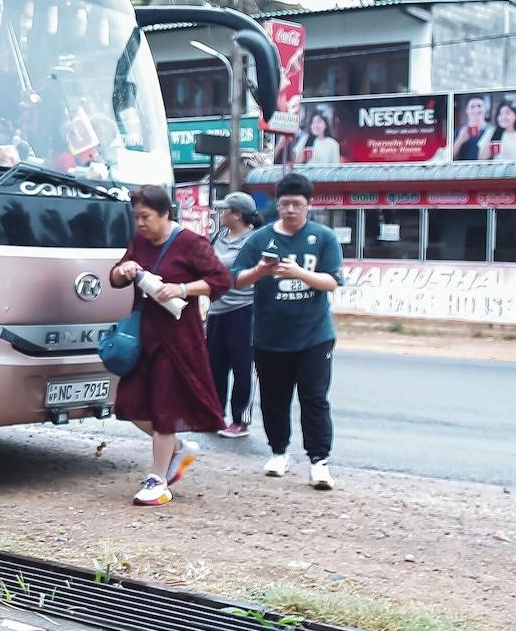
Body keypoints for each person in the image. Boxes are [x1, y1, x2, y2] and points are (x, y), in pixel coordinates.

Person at [105, 184, 234, 506]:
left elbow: (221, 281)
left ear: (165, 213)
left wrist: (182, 289)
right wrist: (124, 270)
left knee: (163, 408)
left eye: (145, 217)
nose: (140, 224)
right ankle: (177, 450)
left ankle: (158, 479)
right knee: (129, 404)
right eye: (136, 217)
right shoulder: (139, 242)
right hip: (142, 338)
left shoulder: (192, 243)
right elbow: (114, 278)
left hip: (177, 340)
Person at [232, 172, 343, 491]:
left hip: (314, 335)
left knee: (314, 398)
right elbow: (237, 279)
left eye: (297, 204)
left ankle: (319, 461)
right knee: (273, 398)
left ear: (309, 205)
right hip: (269, 336)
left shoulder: (323, 237)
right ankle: (279, 452)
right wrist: (260, 271)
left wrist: (300, 273)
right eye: (284, 204)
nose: (290, 210)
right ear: (277, 206)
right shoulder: (259, 238)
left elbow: (332, 281)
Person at [206, 192, 259, 438]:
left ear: (237, 215)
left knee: (241, 367)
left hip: (243, 309)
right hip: (217, 309)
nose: (221, 213)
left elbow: (240, 269)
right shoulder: (219, 236)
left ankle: (240, 419)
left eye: (225, 210)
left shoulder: (254, 240)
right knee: (215, 365)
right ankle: (215, 414)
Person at [449, 95, 489, 161]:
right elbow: (448, 157)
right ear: (467, 110)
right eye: (472, 107)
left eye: (479, 106)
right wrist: (460, 140)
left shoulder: (492, 131)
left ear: (485, 109)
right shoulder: (459, 131)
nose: (476, 110)